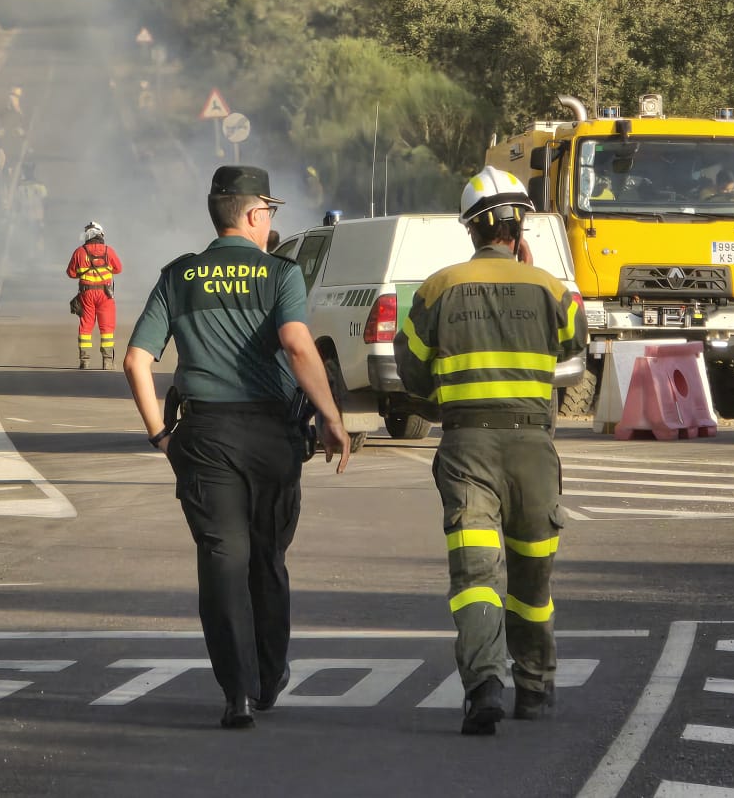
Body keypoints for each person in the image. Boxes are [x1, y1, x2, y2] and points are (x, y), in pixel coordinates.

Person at [123, 165, 354, 730]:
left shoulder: (179, 275)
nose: (270, 220)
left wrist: (161, 435)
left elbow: (135, 360)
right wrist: (331, 418)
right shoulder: (281, 274)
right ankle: (270, 677)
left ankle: (237, 693)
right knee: (267, 560)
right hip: (270, 435)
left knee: (222, 561)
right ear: (254, 215)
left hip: (203, 439)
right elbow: (298, 346)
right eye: (269, 212)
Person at [394, 167, 586, 736]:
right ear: (518, 227)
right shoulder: (550, 288)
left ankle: (484, 687)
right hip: (533, 448)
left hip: (466, 448)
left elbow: (411, 374)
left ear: (472, 230)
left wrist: (444, 403)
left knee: (476, 573)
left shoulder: (437, 287)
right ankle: (536, 687)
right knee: (532, 578)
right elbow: (574, 347)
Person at [66, 220, 124, 368]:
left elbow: (71, 273)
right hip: (105, 295)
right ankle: (108, 362)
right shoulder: (108, 251)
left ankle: (84, 360)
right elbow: (118, 269)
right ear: (101, 234)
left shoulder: (79, 252)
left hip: (86, 294)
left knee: (85, 327)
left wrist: (84, 270)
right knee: (107, 328)